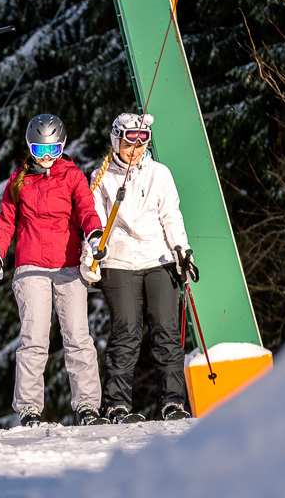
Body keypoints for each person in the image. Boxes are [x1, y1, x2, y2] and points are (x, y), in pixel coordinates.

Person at [0, 114, 109, 427]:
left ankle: (87, 406)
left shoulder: (73, 176)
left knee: (78, 337)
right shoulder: (18, 179)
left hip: (67, 267)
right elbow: (6, 221)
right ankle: (29, 410)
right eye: (40, 151)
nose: (47, 157)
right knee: (34, 340)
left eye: (53, 150)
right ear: (30, 148)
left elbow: (86, 211)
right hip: (31, 267)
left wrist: (94, 235)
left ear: (63, 147)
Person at [83, 112, 199, 423]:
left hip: (158, 259)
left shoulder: (159, 174)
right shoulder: (100, 177)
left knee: (165, 330)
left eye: (142, 141)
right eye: (128, 142)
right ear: (115, 141)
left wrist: (183, 252)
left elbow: (171, 216)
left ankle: (173, 402)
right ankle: (116, 405)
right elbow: (92, 221)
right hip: (119, 263)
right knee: (127, 333)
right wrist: (94, 251)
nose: (134, 149)